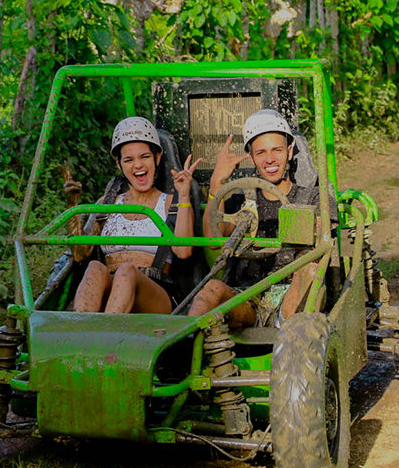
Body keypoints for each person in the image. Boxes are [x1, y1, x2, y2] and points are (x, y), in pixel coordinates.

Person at [187, 109, 319, 326]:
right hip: (246, 298)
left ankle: (285, 330)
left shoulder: (312, 196)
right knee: (211, 289)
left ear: (289, 150)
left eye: (276, 150)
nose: (269, 159)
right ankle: (186, 342)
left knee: (308, 263)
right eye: (261, 153)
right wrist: (216, 183)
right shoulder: (242, 200)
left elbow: (323, 243)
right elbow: (214, 238)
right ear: (251, 157)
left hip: (294, 298)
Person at [70, 116, 198, 314]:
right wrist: (73, 205)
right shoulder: (107, 204)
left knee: (127, 271)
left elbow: (183, 251)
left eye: (144, 157)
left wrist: (183, 194)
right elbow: (80, 255)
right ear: (119, 165)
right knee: (95, 267)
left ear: (157, 157)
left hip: (155, 292)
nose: (138, 165)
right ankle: (81, 335)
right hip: (111, 288)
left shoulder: (171, 203)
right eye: (129, 160)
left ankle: (107, 337)